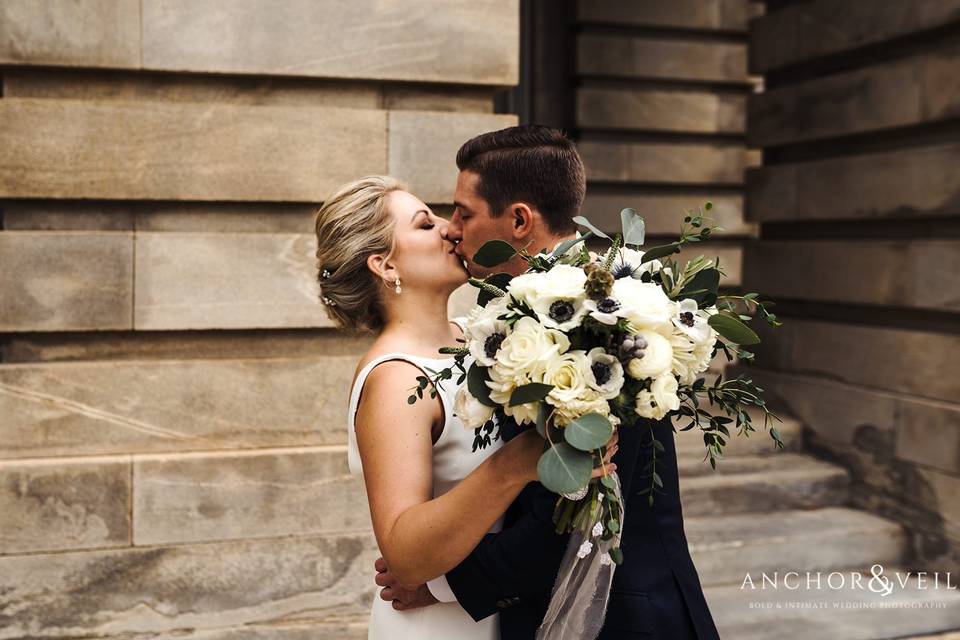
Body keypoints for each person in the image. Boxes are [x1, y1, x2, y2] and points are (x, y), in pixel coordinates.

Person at [373, 125, 723, 640]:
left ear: (518, 220)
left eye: (464, 213)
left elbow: (562, 518)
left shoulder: (603, 322)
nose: (453, 229)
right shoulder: (543, 309)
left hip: (623, 619)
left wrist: (442, 584)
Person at [313, 174, 617, 640]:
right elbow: (406, 556)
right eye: (423, 224)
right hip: (437, 625)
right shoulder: (396, 378)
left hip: (503, 607)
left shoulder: (478, 335)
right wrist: (511, 467)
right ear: (385, 265)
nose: (449, 229)